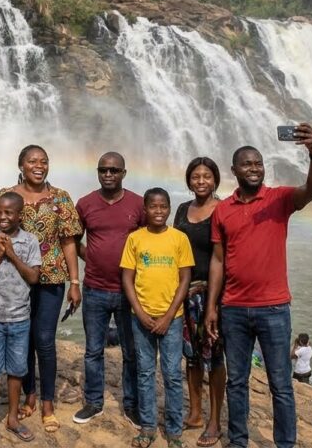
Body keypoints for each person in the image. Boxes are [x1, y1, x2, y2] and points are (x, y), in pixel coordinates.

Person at [204, 123, 312, 448]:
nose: (254, 169)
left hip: (273, 308)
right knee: (237, 382)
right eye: (247, 164)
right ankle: (238, 441)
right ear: (234, 170)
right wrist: (212, 307)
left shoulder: (279, 199)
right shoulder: (223, 210)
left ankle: (285, 444)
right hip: (234, 309)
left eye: (258, 164)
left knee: (281, 385)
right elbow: (217, 261)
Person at [0, 145, 83, 434]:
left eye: (44, 161)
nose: (39, 166)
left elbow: (69, 242)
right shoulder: (7, 197)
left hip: (51, 278)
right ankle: (29, 394)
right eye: (32, 161)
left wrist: (75, 283)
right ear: (21, 165)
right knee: (22, 339)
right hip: (15, 279)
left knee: (44, 340)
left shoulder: (61, 198)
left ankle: (48, 402)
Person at [73, 152, 145, 428]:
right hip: (95, 289)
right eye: (103, 170)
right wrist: (90, 259)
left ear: (124, 173)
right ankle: (94, 402)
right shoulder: (86, 204)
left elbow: (148, 241)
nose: (108, 174)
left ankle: (131, 405)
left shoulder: (138, 204)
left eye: (114, 170)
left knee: (131, 351)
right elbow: (73, 240)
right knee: (93, 350)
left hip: (130, 291)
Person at [121, 187, 194, 448]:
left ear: (170, 208)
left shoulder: (179, 238)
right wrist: (139, 312)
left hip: (172, 318)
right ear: (145, 209)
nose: (159, 211)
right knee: (144, 372)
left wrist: (169, 315)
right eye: (153, 206)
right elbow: (127, 278)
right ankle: (148, 427)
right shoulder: (135, 239)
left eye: (163, 206)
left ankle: (174, 432)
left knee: (173, 374)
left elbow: (185, 278)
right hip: (140, 317)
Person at [0, 191, 42, 448]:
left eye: (8, 212)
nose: (2, 217)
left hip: (19, 317)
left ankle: (12, 419)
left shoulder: (30, 241)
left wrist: (11, 253)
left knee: (16, 371)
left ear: (19, 215)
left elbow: (33, 278)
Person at [172, 157, 225, 446]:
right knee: (192, 355)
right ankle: (194, 414)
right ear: (189, 180)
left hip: (214, 293)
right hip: (186, 291)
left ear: (215, 179)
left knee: (215, 356)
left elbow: (222, 256)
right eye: (195, 176)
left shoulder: (223, 208)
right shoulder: (182, 209)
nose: (200, 181)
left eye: (206, 176)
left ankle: (215, 421)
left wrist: (214, 303)